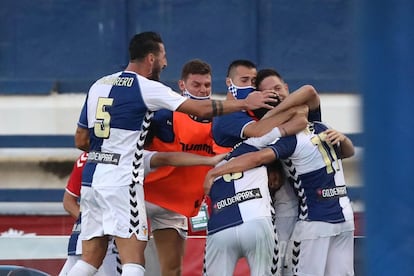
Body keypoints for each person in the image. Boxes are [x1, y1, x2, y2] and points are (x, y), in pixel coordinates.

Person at [68, 31, 275, 276]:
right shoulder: (146, 87)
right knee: (134, 261)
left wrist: (111, 149)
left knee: (90, 259)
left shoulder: (98, 85)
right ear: (151, 59)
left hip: (92, 178)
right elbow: (199, 108)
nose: (166, 63)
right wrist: (244, 103)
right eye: (163, 56)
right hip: (122, 181)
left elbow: (81, 139)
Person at [204, 122, 355, 276]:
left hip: (315, 219)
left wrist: (215, 172)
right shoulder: (319, 127)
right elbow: (348, 152)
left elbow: (257, 159)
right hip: (343, 215)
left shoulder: (291, 139)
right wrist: (344, 140)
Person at [143, 59, 222, 276]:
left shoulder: (220, 119)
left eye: (207, 85)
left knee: (173, 269)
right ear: (182, 85)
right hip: (144, 196)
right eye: (196, 85)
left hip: (176, 205)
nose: (203, 89)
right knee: (129, 263)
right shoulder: (163, 114)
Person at [254, 68, 322, 275]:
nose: (275, 94)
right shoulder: (264, 126)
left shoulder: (306, 112)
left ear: (286, 87)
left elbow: (310, 91)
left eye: (277, 88)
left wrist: (272, 113)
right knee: (281, 259)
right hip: (289, 202)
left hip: (319, 203)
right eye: (268, 92)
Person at [59, 152, 120, 276]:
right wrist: (92, 222)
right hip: (100, 241)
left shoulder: (86, 156)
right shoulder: (122, 155)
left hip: (86, 238)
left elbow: (68, 201)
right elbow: (69, 201)